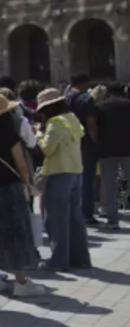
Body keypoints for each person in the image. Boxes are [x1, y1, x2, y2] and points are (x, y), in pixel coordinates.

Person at [0, 93, 47, 297]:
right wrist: (27, 185)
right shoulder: (9, 136)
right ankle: (20, 281)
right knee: (16, 232)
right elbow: (21, 165)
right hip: (10, 187)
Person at [37, 89, 92, 270]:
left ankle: (58, 261)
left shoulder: (55, 123)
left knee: (56, 219)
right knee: (75, 219)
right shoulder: (72, 118)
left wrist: (38, 134)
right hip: (75, 171)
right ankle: (81, 259)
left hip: (58, 172)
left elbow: (47, 148)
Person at [94, 83, 130, 230]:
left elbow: (94, 127)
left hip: (106, 150)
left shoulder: (100, 107)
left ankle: (113, 220)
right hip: (128, 148)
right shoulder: (128, 105)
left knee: (109, 186)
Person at [65, 74, 100, 224]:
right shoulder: (86, 99)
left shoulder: (64, 98)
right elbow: (91, 122)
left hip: (67, 142)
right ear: (84, 83)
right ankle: (86, 213)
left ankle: (73, 212)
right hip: (85, 143)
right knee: (87, 178)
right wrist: (96, 140)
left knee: (70, 178)